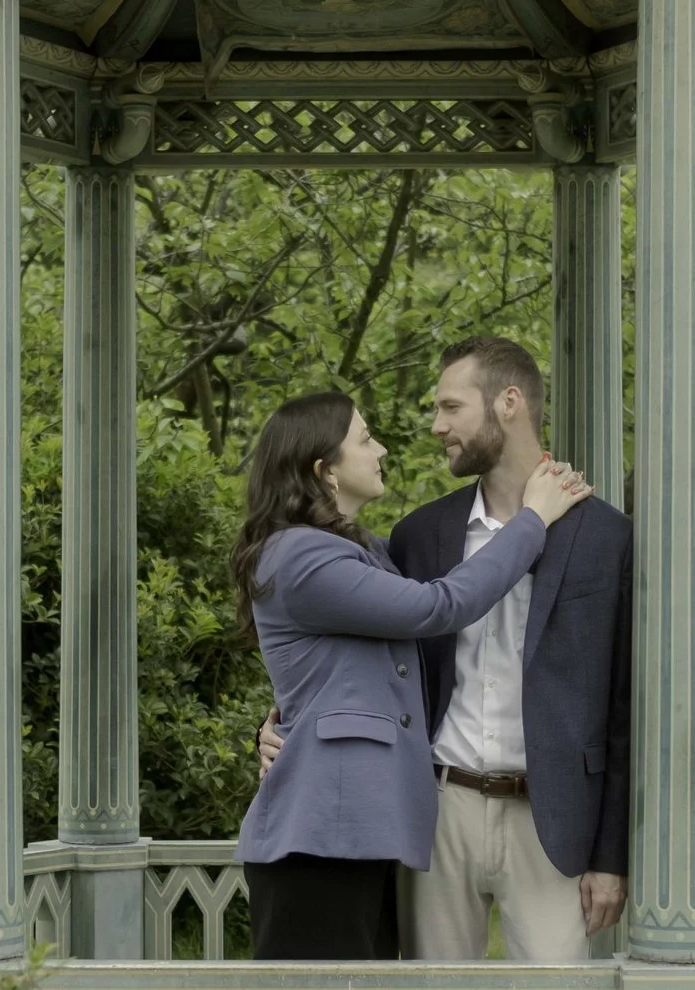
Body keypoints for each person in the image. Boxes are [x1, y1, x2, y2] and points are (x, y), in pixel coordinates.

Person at [258, 336, 634, 962]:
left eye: (450, 407)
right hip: (434, 807)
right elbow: (359, 640)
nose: (436, 427)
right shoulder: (417, 535)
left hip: (552, 819)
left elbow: (622, 705)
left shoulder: (606, 536)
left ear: (507, 403)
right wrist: (279, 726)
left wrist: (610, 855)